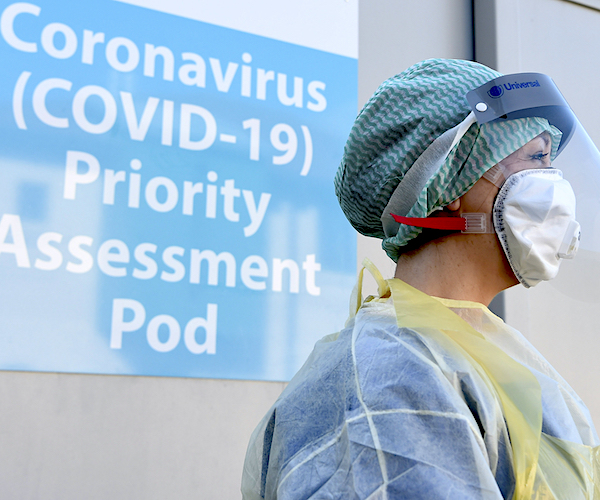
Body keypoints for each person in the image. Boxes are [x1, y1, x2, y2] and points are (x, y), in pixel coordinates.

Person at [241, 59, 600, 499]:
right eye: (536, 157)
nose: (554, 184)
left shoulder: (474, 357)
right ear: (445, 186)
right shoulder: (392, 380)